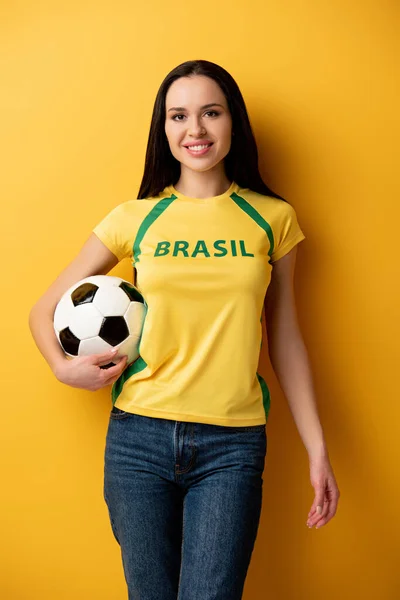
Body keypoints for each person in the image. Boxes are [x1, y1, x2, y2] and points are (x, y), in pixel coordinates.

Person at [29, 59, 340, 600]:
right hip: (138, 440)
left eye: (210, 113)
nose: (194, 130)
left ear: (232, 123)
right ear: (164, 128)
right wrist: (63, 368)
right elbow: (43, 309)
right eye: (179, 116)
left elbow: (285, 338)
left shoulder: (273, 219)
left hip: (232, 445)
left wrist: (318, 450)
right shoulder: (134, 218)